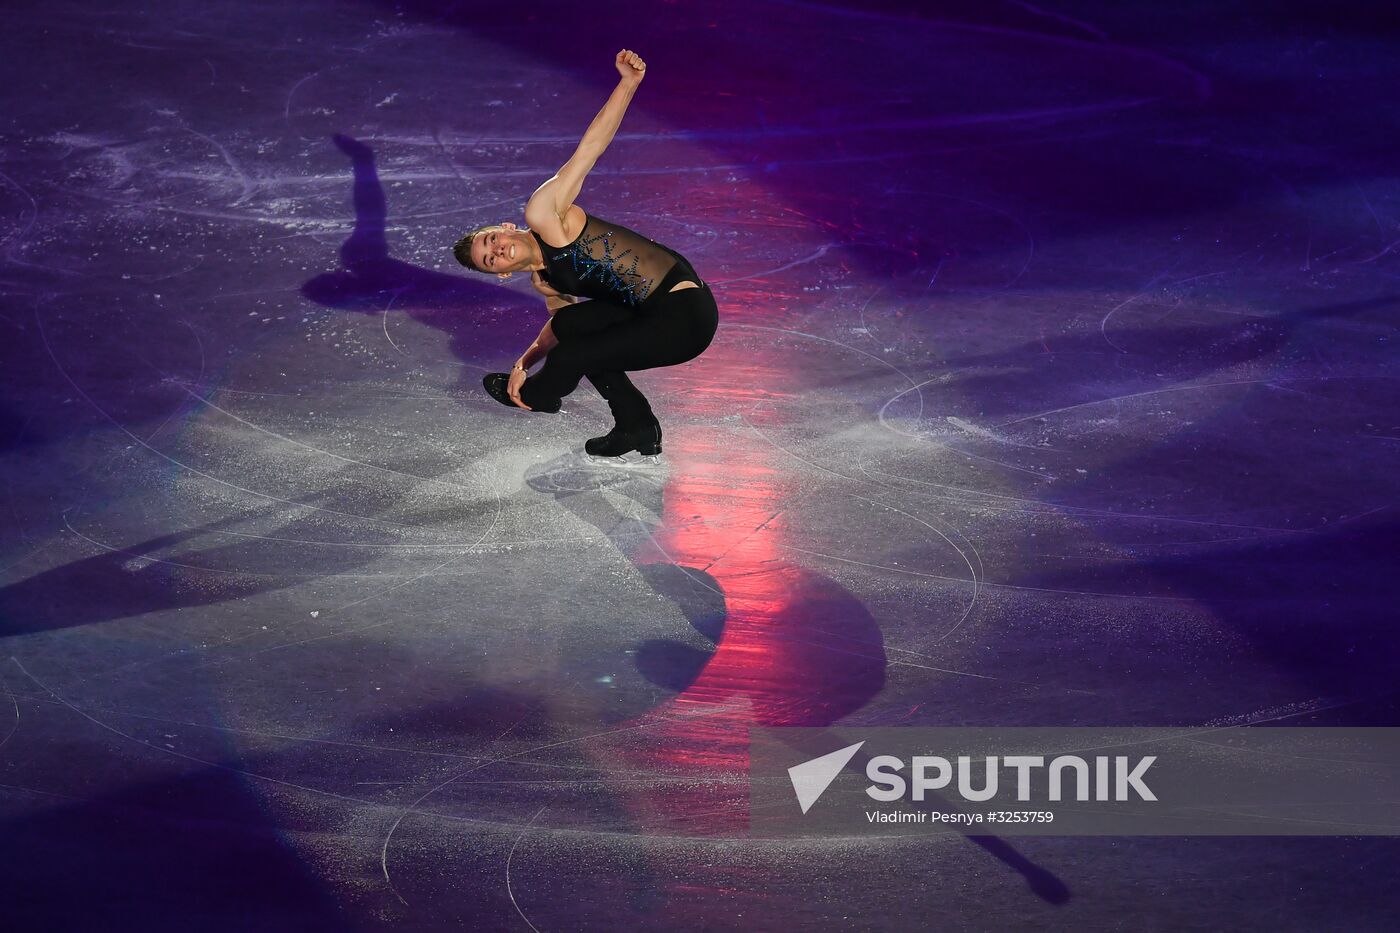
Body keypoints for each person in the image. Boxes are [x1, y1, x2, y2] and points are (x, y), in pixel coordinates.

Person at [452, 49, 717, 461]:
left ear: (504, 228)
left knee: (575, 355)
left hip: (685, 314)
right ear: (502, 273)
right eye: (491, 259)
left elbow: (589, 150)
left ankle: (540, 397)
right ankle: (636, 425)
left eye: (491, 240)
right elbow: (566, 324)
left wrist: (627, 85)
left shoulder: (545, 215)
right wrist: (525, 361)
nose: (498, 250)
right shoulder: (546, 278)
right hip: (651, 314)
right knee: (574, 328)